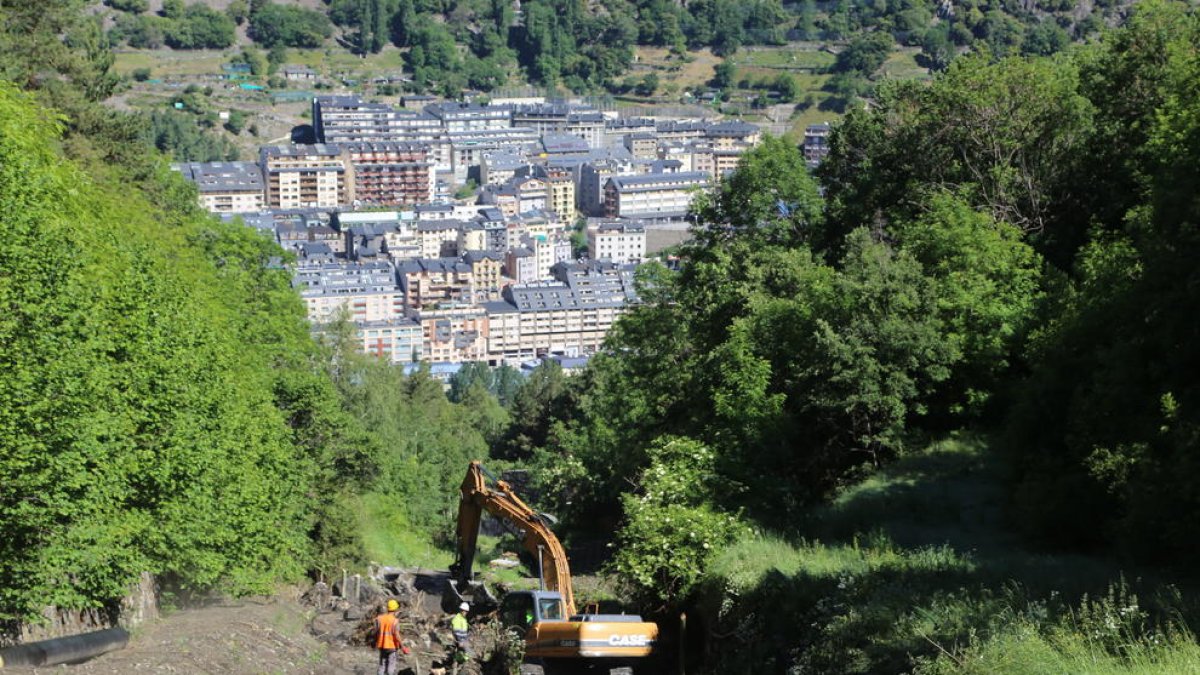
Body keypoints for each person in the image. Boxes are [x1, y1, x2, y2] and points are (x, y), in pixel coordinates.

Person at [374, 599, 410, 675]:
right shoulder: (395, 621)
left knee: (382, 664)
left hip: (382, 645)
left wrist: (376, 642)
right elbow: (396, 635)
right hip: (392, 646)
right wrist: (402, 647)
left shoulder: (379, 619)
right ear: (396, 609)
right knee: (391, 666)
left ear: (388, 608)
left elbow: (376, 632)